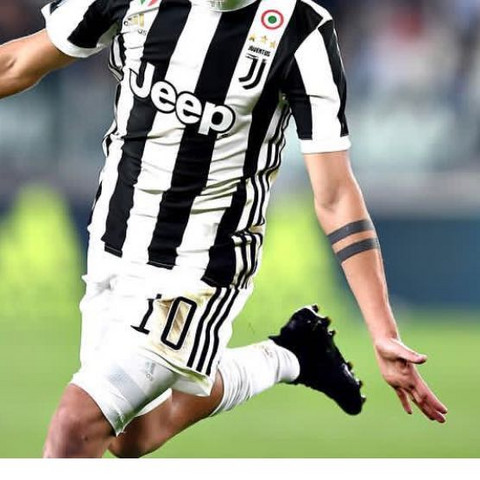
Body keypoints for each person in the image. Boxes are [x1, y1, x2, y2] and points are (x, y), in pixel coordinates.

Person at [0, 0, 447, 458]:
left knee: (76, 425)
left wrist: (382, 330)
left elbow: (335, 195)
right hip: (112, 244)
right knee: (130, 438)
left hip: (198, 271)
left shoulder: (302, 30)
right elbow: (18, 62)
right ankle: (292, 354)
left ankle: (291, 352)